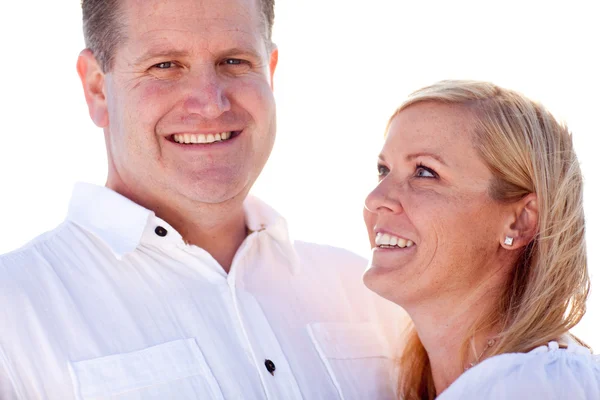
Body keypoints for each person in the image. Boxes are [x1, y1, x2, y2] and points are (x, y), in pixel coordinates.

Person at [0, 0, 400, 398]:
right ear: (97, 88)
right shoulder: (13, 313)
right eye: (165, 66)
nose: (211, 102)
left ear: (270, 73)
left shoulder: (371, 296)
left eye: (234, 62)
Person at [363, 79, 600, 399]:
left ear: (519, 221)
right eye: (383, 169)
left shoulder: (540, 387)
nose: (376, 198)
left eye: (424, 172)